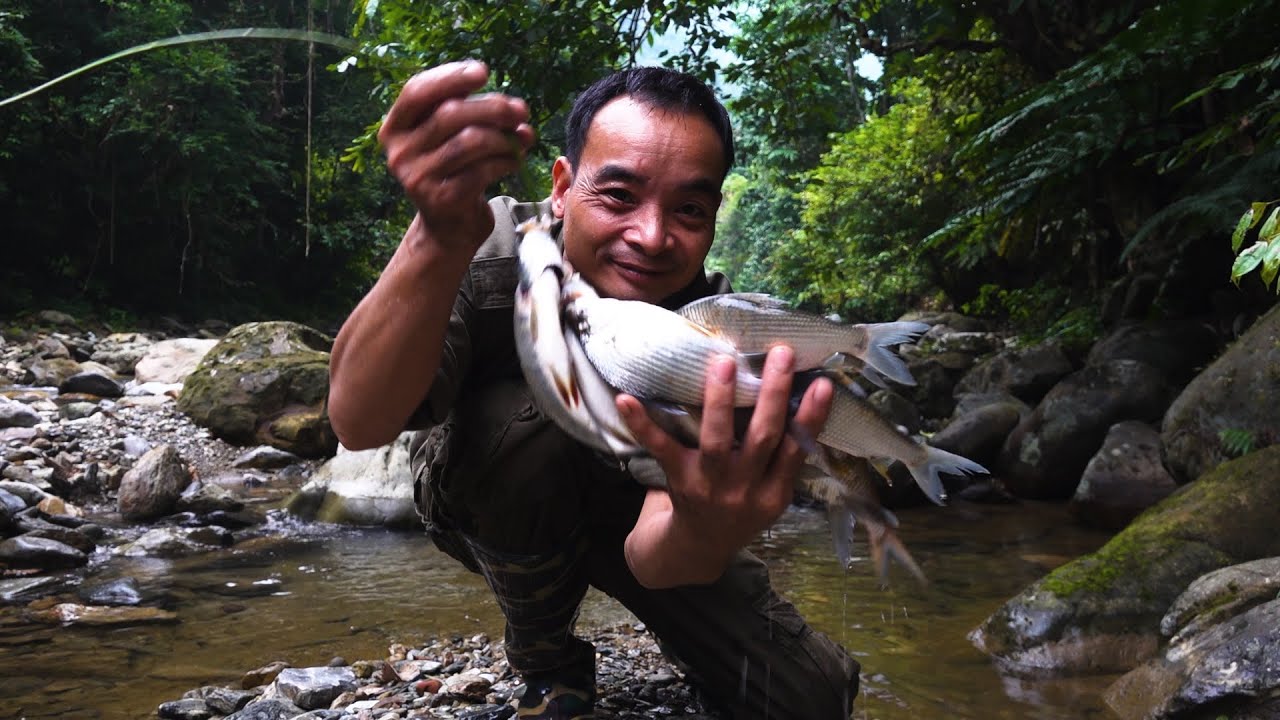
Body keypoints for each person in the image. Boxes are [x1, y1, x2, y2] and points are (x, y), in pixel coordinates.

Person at [328, 60, 861, 720]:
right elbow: (358, 421)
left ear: (714, 218)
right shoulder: (486, 245)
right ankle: (546, 655)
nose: (652, 236)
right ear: (561, 187)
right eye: (618, 196)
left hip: (644, 521)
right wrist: (434, 238)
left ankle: (700, 654)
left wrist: (704, 525)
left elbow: (658, 557)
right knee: (527, 424)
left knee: (812, 699)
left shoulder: (723, 342)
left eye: (689, 209)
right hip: (501, 488)